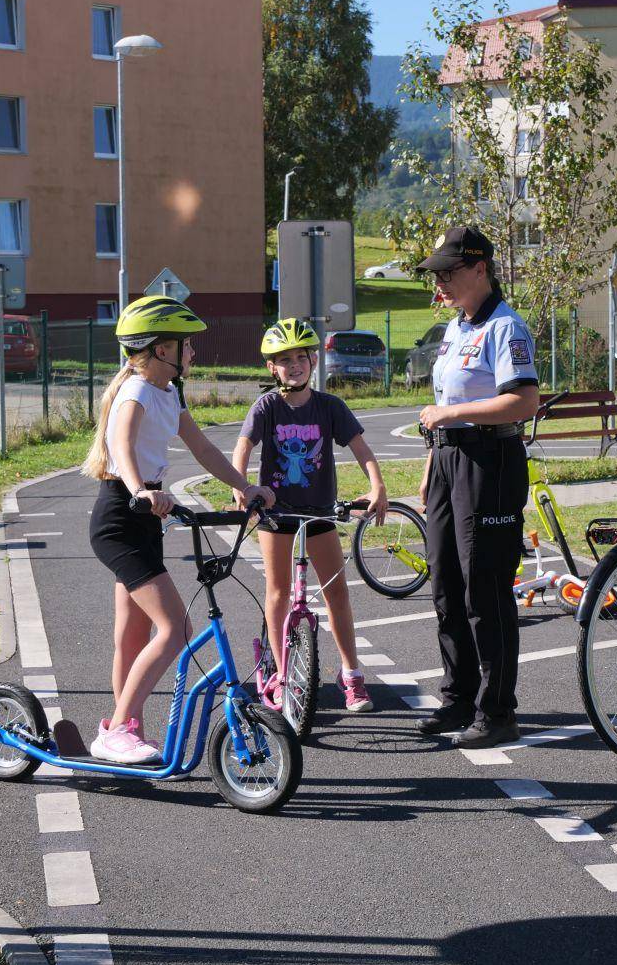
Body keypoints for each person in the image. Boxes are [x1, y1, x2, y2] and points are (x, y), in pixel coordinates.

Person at [80, 295, 275, 764]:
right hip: (122, 515)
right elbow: (121, 445)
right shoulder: (136, 391)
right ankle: (117, 730)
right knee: (175, 628)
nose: (192, 351)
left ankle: (125, 729)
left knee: (132, 635)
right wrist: (141, 490)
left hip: (144, 517)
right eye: (185, 344)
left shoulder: (169, 391)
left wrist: (245, 486)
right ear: (161, 349)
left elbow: (202, 448)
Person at [412, 226, 540, 749]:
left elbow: (524, 401)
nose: (440, 281)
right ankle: (460, 696)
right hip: (449, 459)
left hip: (490, 461)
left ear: (480, 268)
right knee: (446, 584)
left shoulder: (506, 327)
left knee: (484, 589)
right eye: (437, 273)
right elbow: (447, 403)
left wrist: (450, 415)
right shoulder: (456, 327)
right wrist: (433, 461)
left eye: (449, 271)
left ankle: (498, 711)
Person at [233, 318, 389, 714]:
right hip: (276, 515)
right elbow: (243, 446)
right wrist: (241, 485)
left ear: (313, 361)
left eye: (300, 358)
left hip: (319, 512)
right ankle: (283, 674)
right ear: (272, 367)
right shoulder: (267, 406)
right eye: (285, 360)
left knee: (337, 592)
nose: (294, 366)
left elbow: (362, 450)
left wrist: (377, 486)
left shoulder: (329, 407)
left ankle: (351, 674)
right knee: (278, 592)